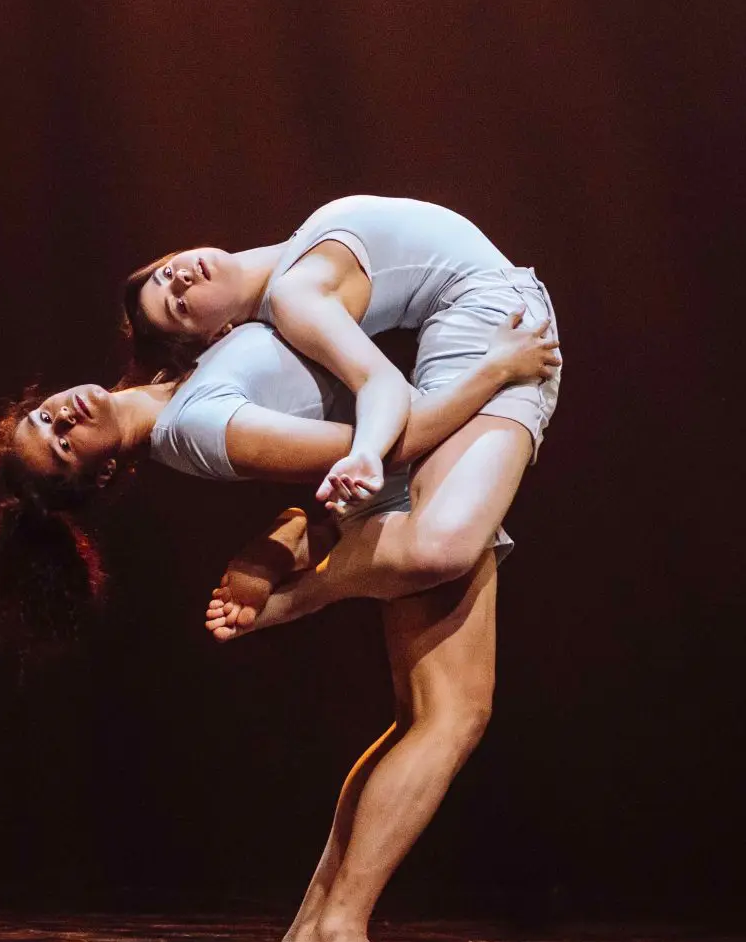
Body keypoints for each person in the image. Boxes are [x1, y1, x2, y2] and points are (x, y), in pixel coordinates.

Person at [0, 309, 557, 942]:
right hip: (408, 485)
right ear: (102, 475)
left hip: (402, 483)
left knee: (425, 717)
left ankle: (317, 925)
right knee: (452, 716)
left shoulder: (172, 374)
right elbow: (376, 447)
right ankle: (338, 932)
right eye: (62, 445)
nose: (61, 419)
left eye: (43, 418)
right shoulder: (191, 426)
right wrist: (495, 370)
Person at [121, 195, 561, 636]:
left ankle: (308, 575)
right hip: (488, 318)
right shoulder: (291, 298)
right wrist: (366, 452)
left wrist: (493, 371)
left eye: (166, 274)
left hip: (490, 309)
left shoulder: (289, 286)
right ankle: (320, 540)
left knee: (439, 549)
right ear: (218, 335)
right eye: (179, 305)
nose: (180, 279)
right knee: (439, 562)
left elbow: (380, 383)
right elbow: (379, 382)